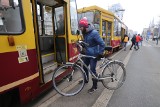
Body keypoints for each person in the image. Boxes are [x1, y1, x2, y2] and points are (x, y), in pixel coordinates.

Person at [78, 17, 105, 93]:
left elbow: (102, 44)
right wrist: (82, 43)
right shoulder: (85, 32)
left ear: (84, 26)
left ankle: (95, 86)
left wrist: (100, 53)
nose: (80, 29)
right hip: (87, 53)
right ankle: (86, 80)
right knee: (84, 67)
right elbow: (88, 43)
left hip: (94, 54)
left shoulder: (94, 33)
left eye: (81, 27)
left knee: (92, 70)